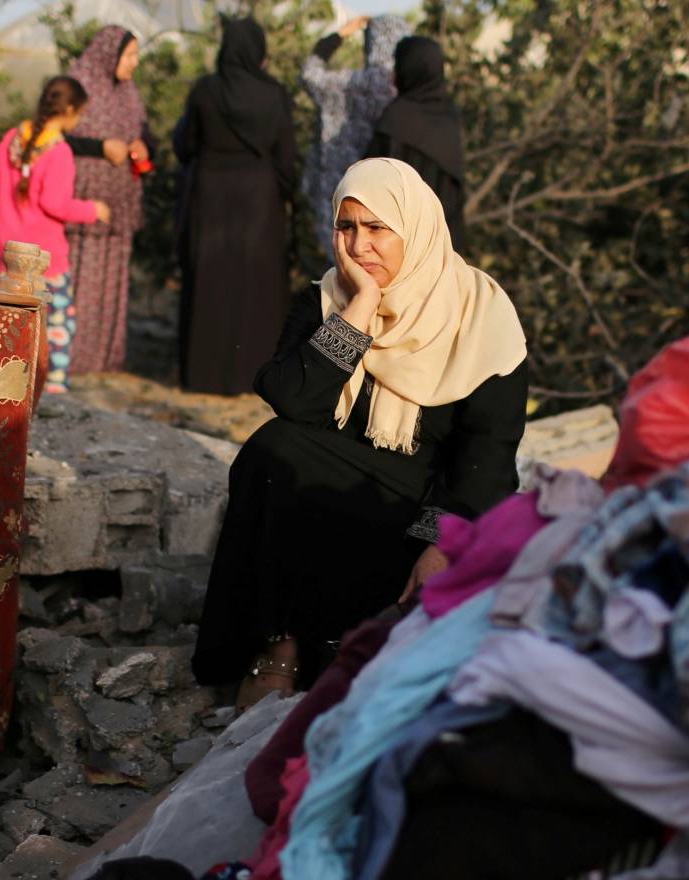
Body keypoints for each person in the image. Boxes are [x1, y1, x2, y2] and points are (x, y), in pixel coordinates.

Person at [192, 158, 529, 708]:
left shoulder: (481, 315)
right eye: (346, 227)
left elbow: (487, 456)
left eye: (376, 229)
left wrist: (440, 541)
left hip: (418, 501)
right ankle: (280, 643)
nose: (359, 245)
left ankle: (335, 654)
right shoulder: (327, 299)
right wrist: (359, 310)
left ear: (415, 230)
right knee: (272, 452)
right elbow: (294, 402)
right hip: (330, 480)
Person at [174, 17, 299, 396]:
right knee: (255, 286)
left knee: (210, 281)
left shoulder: (205, 91)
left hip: (210, 196)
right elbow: (287, 156)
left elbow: (186, 145)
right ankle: (255, 373)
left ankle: (202, 375)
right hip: (259, 200)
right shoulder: (275, 95)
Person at [0, 77, 111, 393]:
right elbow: (54, 203)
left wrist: (13, 195)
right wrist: (93, 210)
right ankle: (52, 389)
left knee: (12, 320)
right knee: (56, 324)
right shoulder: (60, 151)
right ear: (68, 109)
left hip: (8, 252)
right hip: (46, 257)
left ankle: (6, 384)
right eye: (80, 113)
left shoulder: (14, 137)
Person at [60, 26, 156, 376]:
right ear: (108, 54)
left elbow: (145, 133)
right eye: (129, 55)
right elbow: (57, 134)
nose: (134, 63)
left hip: (118, 203)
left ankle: (102, 358)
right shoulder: (78, 83)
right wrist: (100, 147)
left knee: (111, 279)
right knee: (81, 273)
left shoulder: (129, 93)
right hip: (84, 200)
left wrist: (143, 146)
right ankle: (69, 355)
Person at [300, 13, 410, 257]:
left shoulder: (352, 83)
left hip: (343, 187)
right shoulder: (409, 86)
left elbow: (310, 73)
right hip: (387, 197)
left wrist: (339, 35)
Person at [364, 36, 467, 249]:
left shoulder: (396, 118)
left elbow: (370, 186)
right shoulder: (449, 117)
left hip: (402, 249)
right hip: (443, 248)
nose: (393, 75)